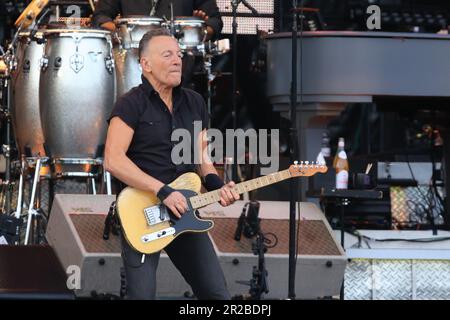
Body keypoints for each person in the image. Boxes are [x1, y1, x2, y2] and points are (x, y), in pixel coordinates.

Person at [104, 28, 239, 300]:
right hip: (144, 211)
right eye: (167, 55)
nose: (178, 60)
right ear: (146, 64)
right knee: (141, 296)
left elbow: (203, 159)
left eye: (179, 55)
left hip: (186, 211)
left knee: (217, 295)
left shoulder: (195, 102)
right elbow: (113, 160)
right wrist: (163, 191)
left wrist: (217, 185)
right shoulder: (130, 104)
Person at [92, 0, 223, 41]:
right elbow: (100, 17)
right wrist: (121, 32)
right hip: (133, 59)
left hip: (179, 63)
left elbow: (215, 21)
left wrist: (197, 30)